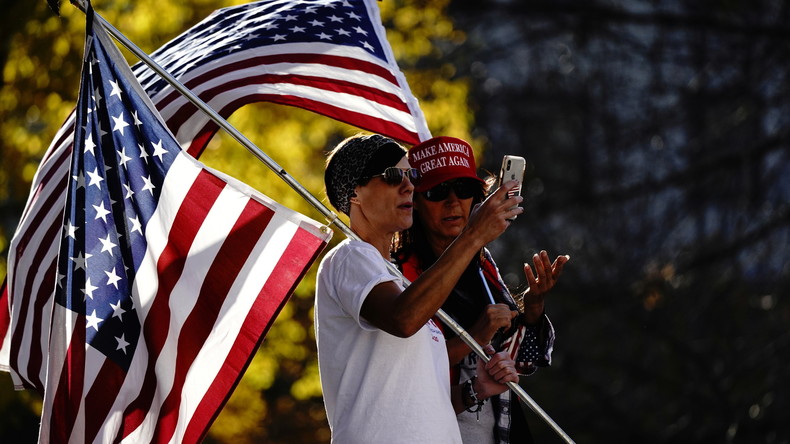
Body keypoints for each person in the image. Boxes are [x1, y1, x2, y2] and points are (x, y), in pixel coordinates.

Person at [315, 133, 524, 444]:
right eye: (393, 176)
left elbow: (422, 393)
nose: (409, 185)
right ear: (355, 192)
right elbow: (403, 320)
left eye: (411, 175)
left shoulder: (398, 278)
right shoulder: (349, 256)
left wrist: (477, 387)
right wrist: (472, 236)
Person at [393, 136, 570, 444]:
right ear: (416, 202)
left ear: (476, 197)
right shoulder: (399, 272)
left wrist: (533, 306)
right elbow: (403, 373)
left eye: (462, 190)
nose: (452, 202)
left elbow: (518, 363)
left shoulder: (481, 262)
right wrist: (474, 336)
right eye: (436, 192)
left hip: (501, 430)